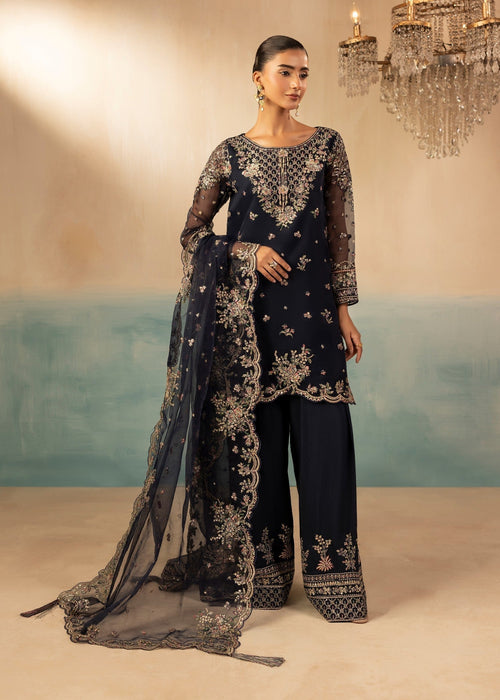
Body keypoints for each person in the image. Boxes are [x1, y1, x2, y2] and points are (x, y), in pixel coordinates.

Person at [21, 35, 367, 667]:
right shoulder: (228, 154)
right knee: (257, 453)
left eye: (304, 74)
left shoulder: (328, 146)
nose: (297, 84)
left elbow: (340, 229)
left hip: (315, 321)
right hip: (248, 328)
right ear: (257, 78)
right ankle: (264, 573)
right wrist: (246, 253)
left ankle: (334, 580)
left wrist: (345, 307)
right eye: (286, 72)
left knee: (326, 451)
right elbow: (192, 235)